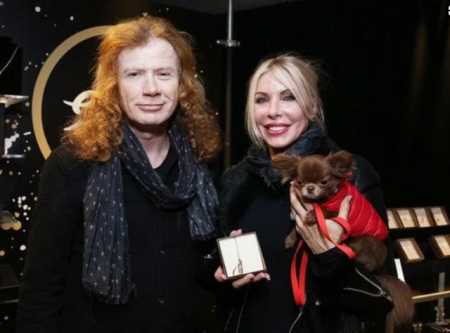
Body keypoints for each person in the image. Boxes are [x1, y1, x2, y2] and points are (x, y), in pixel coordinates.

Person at [17, 16, 221, 333]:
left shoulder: (200, 162)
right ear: (114, 84)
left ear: (182, 85)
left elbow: (200, 271)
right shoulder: (72, 164)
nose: (151, 89)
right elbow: (41, 289)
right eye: (135, 74)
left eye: (164, 74)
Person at [214, 54, 393, 333]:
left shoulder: (349, 174)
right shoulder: (236, 182)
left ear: (311, 106)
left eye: (289, 97)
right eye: (261, 99)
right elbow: (223, 291)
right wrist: (227, 277)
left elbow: (380, 297)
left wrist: (329, 255)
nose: (273, 111)